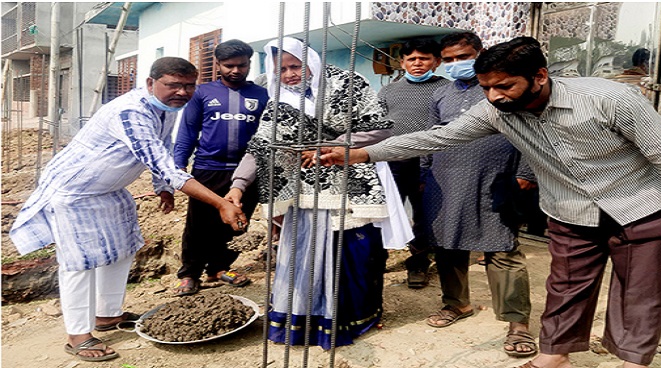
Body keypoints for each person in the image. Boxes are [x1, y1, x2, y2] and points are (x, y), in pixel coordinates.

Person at [318, 37, 661, 368]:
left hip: (639, 207)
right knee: (565, 287)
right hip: (568, 210)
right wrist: (362, 154)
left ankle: (633, 361)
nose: (495, 96)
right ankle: (554, 357)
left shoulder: (609, 99)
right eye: (487, 88)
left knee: (640, 291)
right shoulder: (496, 110)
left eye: (505, 86)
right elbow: (436, 138)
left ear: (540, 77)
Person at [9, 57, 250, 362]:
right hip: (75, 191)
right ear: (151, 84)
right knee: (80, 262)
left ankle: (107, 315)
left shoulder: (167, 109)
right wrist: (219, 202)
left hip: (110, 190)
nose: (182, 92)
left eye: (189, 86)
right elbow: (160, 160)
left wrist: (162, 188)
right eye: (173, 84)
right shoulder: (131, 111)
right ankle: (78, 336)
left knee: (122, 250)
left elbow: (163, 149)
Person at [225, 37, 411, 350]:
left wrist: (333, 146)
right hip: (304, 190)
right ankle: (301, 322)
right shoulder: (279, 100)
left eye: (295, 65)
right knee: (303, 252)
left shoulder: (347, 83)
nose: (289, 74)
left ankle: (356, 319)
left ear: (310, 61)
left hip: (351, 182)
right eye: (281, 69)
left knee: (351, 253)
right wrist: (237, 185)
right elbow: (261, 146)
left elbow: (381, 127)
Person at [422, 31, 537, 358]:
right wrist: (424, 174)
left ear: (480, 53)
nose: (457, 64)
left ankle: (517, 323)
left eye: (463, 57)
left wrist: (526, 172)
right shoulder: (441, 93)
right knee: (447, 244)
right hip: (444, 179)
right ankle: (456, 304)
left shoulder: (503, 87)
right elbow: (432, 137)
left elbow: (531, 132)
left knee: (502, 248)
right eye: (449, 60)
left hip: (496, 179)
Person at [172, 39, 269, 296]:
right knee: (199, 223)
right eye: (228, 66)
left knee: (237, 222)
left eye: (242, 65)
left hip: (247, 172)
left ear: (250, 64)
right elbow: (188, 132)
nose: (235, 71)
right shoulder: (203, 93)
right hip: (207, 170)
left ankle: (219, 268)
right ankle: (190, 273)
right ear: (217, 64)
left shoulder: (261, 95)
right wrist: (178, 165)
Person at [377, 37, 450, 289]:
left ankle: (418, 263)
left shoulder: (446, 89)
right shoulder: (388, 90)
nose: (418, 63)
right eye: (412, 59)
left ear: (436, 62)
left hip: (431, 162)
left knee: (424, 215)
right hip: (393, 161)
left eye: (424, 58)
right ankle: (378, 258)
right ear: (402, 62)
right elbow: (377, 126)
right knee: (384, 212)